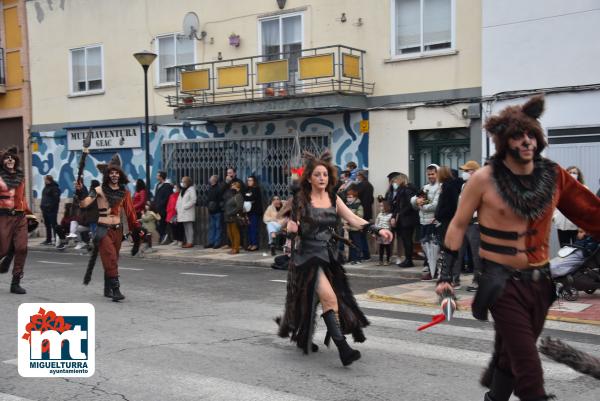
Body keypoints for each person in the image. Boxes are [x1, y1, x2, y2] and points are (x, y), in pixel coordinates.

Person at [435, 95, 600, 401]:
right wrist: (445, 276)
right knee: (527, 364)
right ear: (503, 141)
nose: (526, 142)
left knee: (510, 356)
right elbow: (457, 225)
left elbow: (592, 213)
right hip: (500, 283)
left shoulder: (554, 176)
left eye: (530, 134)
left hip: (540, 283)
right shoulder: (483, 179)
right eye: (517, 136)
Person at [276, 150, 393, 366]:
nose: (322, 178)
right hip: (307, 257)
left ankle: (303, 338)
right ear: (309, 177)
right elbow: (289, 224)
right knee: (329, 298)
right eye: (317, 175)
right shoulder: (301, 199)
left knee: (313, 301)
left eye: (325, 175)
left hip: (327, 255)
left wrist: (377, 230)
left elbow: (353, 218)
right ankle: (344, 349)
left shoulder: (332, 198)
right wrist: (292, 229)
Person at [76, 154, 141, 301]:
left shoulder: (125, 192)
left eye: (116, 172)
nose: (114, 175)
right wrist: (80, 192)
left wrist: (136, 231)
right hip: (102, 229)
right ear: (107, 175)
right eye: (111, 172)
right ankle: (116, 290)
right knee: (110, 258)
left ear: (120, 175)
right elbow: (84, 204)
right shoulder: (98, 190)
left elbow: (131, 214)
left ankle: (107, 289)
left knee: (112, 259)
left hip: (117, 230)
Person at [0, 147, 36, 294]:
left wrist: (29, 215)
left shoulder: (20, 178)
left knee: (22, 248)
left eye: (12, 158)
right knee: (2, 249)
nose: (10, 160)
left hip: (20, 216)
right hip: (3, 216)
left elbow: (21, 199)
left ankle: (15, 282)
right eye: (7, 158)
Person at [434, 166, 464, 287]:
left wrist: (439, 214)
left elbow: (450, 205)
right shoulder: (447, 186)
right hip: (446, 221)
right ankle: (447, 276)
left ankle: (447, 277)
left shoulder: (448, 187)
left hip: (447, 221)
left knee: (448, 249)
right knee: (448, 249)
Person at [411, 164, 441, 280]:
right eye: (428, 174)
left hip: (433, 222)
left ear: (437, 174)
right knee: (426, 248)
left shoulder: (440, 187)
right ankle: (429, 269)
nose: (430, 176)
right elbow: (414, 199)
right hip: (423, 222)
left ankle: (436, 271)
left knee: (434, 248)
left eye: (432, 174)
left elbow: (435, 205)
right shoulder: (425, 187)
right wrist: (416, 201)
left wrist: (421, 205)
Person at [457, 161, 483, 292]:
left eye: (467, 171)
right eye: (464, 171)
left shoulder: (480, 185)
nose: (465, 173)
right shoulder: (464, 186)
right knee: (458, 252)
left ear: (474, 172)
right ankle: (454, 279)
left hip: (475, 223)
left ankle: (478, 281)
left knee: (476, 254)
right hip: (464, 223)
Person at [390, 173, 419, 267]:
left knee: (407, 240)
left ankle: (409, 260)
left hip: (408, 219)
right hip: (403, 219)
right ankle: (407, 259)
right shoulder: (400, 190)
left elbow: (409, 205)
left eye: (396, 181)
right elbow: (397, 205)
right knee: (405, 240)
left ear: (401, 180)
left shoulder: (407, 190)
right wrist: (394, 216)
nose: (395, 183)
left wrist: (400, 214)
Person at [355, 170, 374, 261]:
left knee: (360, 235)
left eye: (357, 175)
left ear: (361, 176)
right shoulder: (370, 185)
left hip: (361, 213)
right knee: (363, 235)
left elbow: (355, 196)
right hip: (367, 213)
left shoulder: (361, 185)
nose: (356, 177)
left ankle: (364, 254)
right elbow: (371, 201)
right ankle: (366, 254)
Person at [40, 175, 63, 246]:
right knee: (47, 225)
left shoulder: (55, 188)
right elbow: (44, 198)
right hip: (45, 210)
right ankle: (48, 240)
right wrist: (42, 206)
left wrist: (50, 207)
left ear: (49, 180)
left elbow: (56, 200)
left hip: (51, 211)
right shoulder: (45, 188)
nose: (44, 181)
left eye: (45, 179)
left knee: (54, 225)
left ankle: (57, 240)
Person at [244, 175, 263, 251]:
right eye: (248, 180)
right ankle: (250, 243)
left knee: (253, 228)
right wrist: (248, 198)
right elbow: (244, 197)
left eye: (251, 180)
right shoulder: (247, 189)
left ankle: (255, 244)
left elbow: (253, 198)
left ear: (254, 181)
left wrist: (248, 198)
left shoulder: (256, 189)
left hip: (255, 211)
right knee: (248, 228)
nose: (249, 182)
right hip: (248, 212)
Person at [176, 176, 196, 248]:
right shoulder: (183, 190)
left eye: (183, 181)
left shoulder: (191, 189)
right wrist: (177, 207)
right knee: (185, 227)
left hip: (188, 211)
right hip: (182, 212)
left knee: (189, 227)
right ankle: (188, 241)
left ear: (187, 182)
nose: (182, 183)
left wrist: (185, 206)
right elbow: (179, 200)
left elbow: (193, 200)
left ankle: (190, 242)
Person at [224, 181, 244, 254]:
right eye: (231, 186)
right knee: (230, 233)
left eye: (233, 186)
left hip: (234, 217)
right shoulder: (232, 195)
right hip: (228, 217)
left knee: (235, 233)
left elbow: (239, 207)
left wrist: (231, 213)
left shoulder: (238, 196)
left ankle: (236, 248)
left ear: (238, 188)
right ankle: (233, 247)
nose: (231, 187)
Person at [345, 188, 364, 264]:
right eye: (348, 197)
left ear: (355, 197)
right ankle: (352, 258)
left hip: (356, 228)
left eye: (350, 197)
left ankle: (358, 258)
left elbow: (360, 216)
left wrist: (351, 216)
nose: (348, 198)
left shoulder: (359, 206)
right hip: (349, 228)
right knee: (351, 243)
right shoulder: (346, 205)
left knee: (357, 243)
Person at [153, 171, 173, 244]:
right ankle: (163, 236)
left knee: (162, 224)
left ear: (161, 177)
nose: (156, 177)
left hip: (163, 209)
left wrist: (160, 204)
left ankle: (164, 237)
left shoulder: (167, 186)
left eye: (158, 175)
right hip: (157, 208)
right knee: (155, 223)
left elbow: (167, 197)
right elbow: (156, 196)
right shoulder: (158, 185)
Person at [206, 175, 225, 248]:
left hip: (217, 211)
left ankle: (217, 243)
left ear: (214, 180)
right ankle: (211, 242)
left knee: (218, 227)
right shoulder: (210, 188)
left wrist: (217, 206)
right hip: (211, 211)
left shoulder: (218, 188)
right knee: (212, 227)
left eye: (211, 179)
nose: (210, 180)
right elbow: (208, 199)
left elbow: (221, 200)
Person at [375, 200, 393, 265]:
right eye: (380, 206)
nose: (381, 207)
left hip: (387, 233)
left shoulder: (390, 215)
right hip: (380, 233)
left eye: (382, 206)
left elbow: (391, 225)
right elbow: (376, 223)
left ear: (386, 206)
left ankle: (388, 260)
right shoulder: (379, 214)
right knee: (381, 247)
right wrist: (375, 232)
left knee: (387, 247)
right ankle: (380, 260)